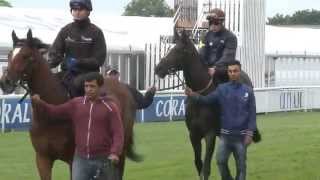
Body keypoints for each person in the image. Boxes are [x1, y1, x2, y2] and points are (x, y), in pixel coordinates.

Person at [31, 72, 123, 180]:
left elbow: (118, 133)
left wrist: (115, 152)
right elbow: (54, 111)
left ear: (100, 88)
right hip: (81, 160)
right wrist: (40, 103)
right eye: (86, 86)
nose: (88, 89)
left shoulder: (110, 108)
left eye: (92, 86)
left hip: (102, 159)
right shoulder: (76, 104)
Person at [185, 60, 256, 180]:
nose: (233, 73)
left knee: (241, 167)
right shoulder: (222, 89)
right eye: (230, 71)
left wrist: (250, 133)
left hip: (241, 136)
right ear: (228, 73)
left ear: (240, 72)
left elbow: (252, 114)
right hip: (226, 136)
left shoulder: (248, 91)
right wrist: (192, 95)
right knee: (221, 162)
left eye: (235, 71)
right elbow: (206, 100)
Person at [48, 0, 107, 97]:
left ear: (88, 11)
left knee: (75, 84)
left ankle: (79, 110)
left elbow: (99, 60)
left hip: (89, 74)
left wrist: (79, 62)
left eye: (81, 9)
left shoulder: (96, 32)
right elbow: (55, 52)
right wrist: (49, 64)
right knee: (50, 83)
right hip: (67, 73)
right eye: (74, 9)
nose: (77, 12)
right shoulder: (65, 30)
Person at [199, 8, 237, 83]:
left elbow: (228, 57)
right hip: (207, 68)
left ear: (221, 22)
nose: (213, 25)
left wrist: (215, 68)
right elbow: (201, 53)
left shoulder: (230, 37)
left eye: (216, 23)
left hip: (222, 68)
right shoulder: (204, 36)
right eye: (211, 23)